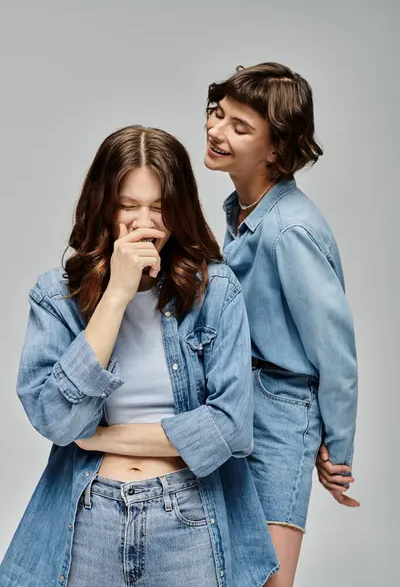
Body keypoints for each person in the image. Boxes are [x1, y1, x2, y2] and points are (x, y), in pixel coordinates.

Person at [0, 125, 279, 587]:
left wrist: (102, 438)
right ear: (104, 207)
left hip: (187, 513)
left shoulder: (217, 291)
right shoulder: (57, 296)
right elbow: (56, 420)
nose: (143, 223)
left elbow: (230, 427)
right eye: (128, 207)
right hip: (92, 514)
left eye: (158, 207)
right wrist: (116, 295)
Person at [204, 62, 359, 587]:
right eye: (218, 114)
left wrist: (337, 451)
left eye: (239, 127)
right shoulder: (244, 212)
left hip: (280, 416)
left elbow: (335, 352)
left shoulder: (289, 228)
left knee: (269, 579)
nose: (216, 130)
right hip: (239, 404)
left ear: (276, 149)